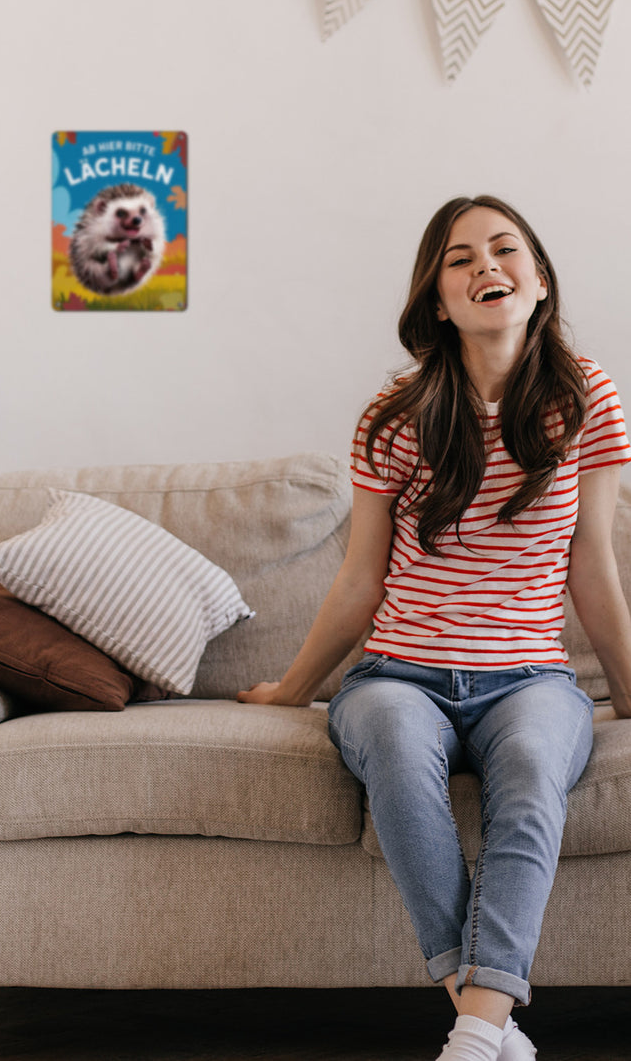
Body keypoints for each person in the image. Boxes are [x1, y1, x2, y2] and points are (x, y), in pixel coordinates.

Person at [238, 195, 631, 1061]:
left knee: (532, 767)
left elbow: (591, 565)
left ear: (538, 285)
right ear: (438, 300)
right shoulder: (395, 414)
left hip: (530, 680)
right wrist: (294, 690)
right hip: (396, 675)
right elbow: (360, 579)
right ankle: (488, 1023)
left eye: (504, 250)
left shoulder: (587, 398)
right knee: (393, 751)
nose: (485, 266)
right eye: (460, 258)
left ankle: (475, 1032)